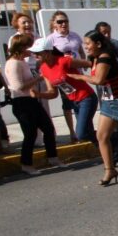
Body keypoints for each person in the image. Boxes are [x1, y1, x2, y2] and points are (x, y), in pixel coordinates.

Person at [73, 29, 118, 185]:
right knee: (102, 136)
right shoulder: (95, 57)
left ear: (98, 44)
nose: (85, 47)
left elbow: (99, 80)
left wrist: (79, 77)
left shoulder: (105, 58)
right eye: (84, 44)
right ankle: (109, 170)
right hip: (108, 102)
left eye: (88, 43)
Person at [4, 36, 61, 175]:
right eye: (28, 47)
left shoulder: (22, 62)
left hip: (31, 100)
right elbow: (18, 86)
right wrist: (39, 78)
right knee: (30, 133)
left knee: (48, 128)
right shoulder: (14, 63)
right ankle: (26, 164)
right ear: (21, 48)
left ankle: (53, 158)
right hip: (21, 102)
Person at [36, 35, 95, 144]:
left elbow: (90, 64)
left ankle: (111, 138)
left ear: (48, 52)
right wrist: (39, 94)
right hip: (74, 102)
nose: (35, 56)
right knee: (87, 132)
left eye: (38, 53)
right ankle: (111, 150)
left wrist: (98, 78)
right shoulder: (44, 69)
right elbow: (53, 93)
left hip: (87, 98)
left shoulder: (64, 61)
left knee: (81, 134)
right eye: (34, 53)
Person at [46, 11, 85, 142]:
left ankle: (82, 128)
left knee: (81, 101)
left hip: (77, 74)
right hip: (64, 77)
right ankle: (72, 132)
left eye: (65, 21)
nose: (63, 24)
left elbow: (80, 51)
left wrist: (84, 64)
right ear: (54, 24)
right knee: (68, 103)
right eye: (60, 21)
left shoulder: (75, 36)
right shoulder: (51, 39)